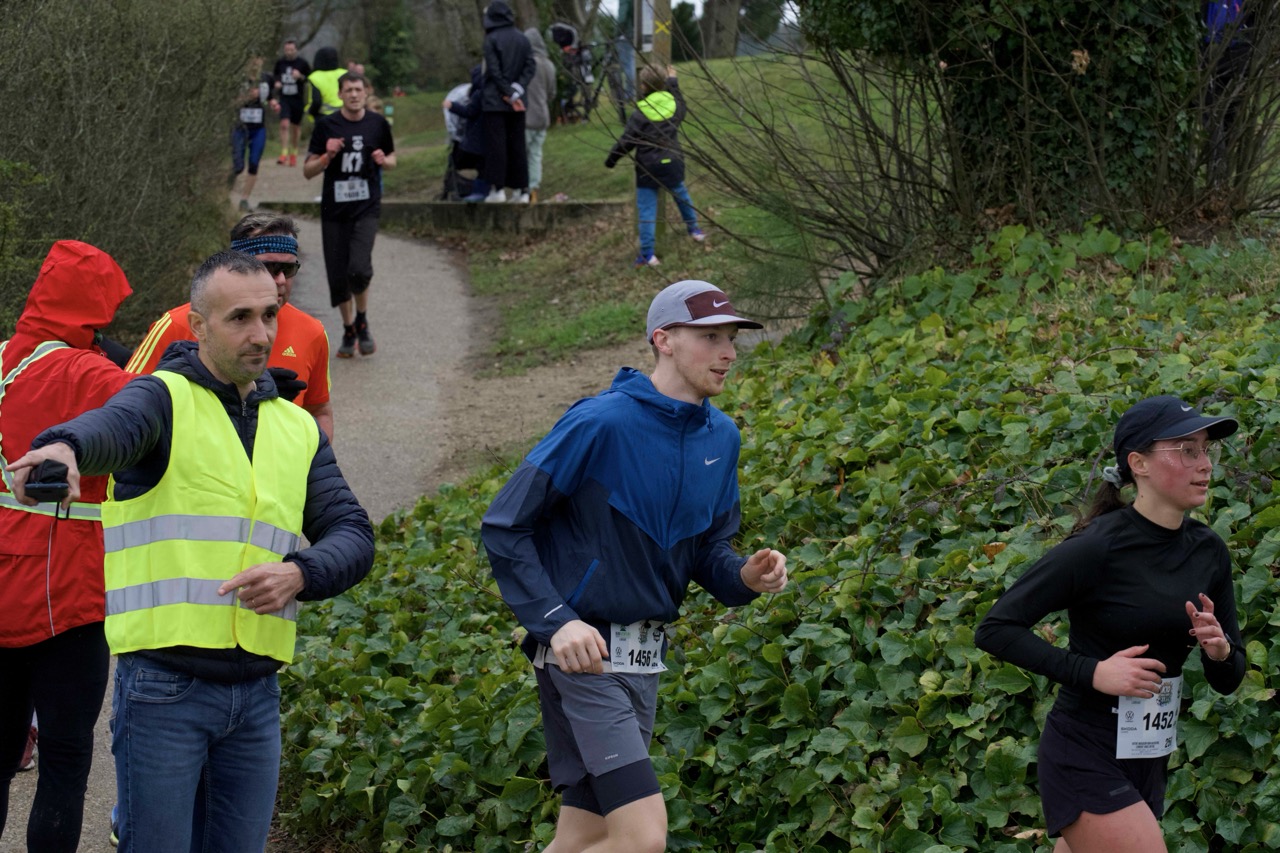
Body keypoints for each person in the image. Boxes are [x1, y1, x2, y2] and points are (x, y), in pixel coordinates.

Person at [6, 249, 375, 853]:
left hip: (258, 694)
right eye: (239, 318)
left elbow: (354, 534)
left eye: (269, 315)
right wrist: (65, 447)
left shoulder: (296, 426)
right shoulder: (161, 399)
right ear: (198, 326)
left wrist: (300, 573)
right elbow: (112, 427)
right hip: (164, 692)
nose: (261, 334)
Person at [481, 279, 788, 852]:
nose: (729, 352)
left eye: (732, 338)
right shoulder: (599, 423)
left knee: (585, 836)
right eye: (711, 337)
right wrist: (557, 621)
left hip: (645, 660)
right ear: (663, 340)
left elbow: (707, 551)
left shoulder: (722, 437)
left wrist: (746, 576)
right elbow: (505, 525)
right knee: (643, 838)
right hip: (583, 659)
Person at [975, 396, 1246, 853]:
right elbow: (995, 628)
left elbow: (1229, 679)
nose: (1204, 464)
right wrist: (1094, 672)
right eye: (1186, 450)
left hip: (1148, 752)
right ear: (1138, 463)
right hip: (1084, 749)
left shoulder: (1209, 551)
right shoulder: (1097, 547)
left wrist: (1219, 651)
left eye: (1206, 450)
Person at [0, 241, 134, 852]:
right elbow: (163, 413)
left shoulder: (4, 357)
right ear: (94, 309)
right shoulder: (92, 375)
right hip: (67, 591)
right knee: (64, 758)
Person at [125, 212, 334, 440]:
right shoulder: (177, 324)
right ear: (237, 266)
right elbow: (125, 403)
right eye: (270, 267)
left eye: (289, 269)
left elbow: (320, 410)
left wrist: (318, 460)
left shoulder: (312, 332)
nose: (281, 280)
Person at [304, 72, 396, 358]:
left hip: (366, 207)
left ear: (366, 92)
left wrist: (384, 161)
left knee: (358, 268)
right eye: (349, 90)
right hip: (334, 210)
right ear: (340, 94)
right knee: (338, 274)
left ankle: (362, 319)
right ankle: (348, 328)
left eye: (358, 89)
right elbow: (308, 171)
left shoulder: (378, 124)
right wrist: (326, 156)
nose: (354, 94)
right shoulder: (326, 126)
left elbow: (393, 159)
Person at [605, 65, 706, 268]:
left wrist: (611, 160)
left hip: (648, 168)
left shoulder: (640, 113)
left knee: (646, 211)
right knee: (682, 197)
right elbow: (681, 102)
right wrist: (673, 81)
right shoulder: (674, 106)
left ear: (643, 86)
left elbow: (627, 141)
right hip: (673, 163)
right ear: (663, 83)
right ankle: (695, 230)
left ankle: (647, 255)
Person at [479, 1, 536, 203]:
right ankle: (522, 190)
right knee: (518, 145)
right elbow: (530, 66)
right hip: (518, 102)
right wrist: (517, 90)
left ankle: (498, 189)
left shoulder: (491, 39)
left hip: (495, 101)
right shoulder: (523, 38)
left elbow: (494, 71)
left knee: (497, 146)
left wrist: (508, 92)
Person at [232, 56, 278, 212]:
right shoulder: (238, 79)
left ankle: (244, 200)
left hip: (258, 129)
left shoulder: (267, 79)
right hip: (240, 128)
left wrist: (273, 104)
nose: (255, 63)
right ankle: (225, 193)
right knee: (238, 166)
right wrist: (246, 97)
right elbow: (230, 103)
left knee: (254, 163)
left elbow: (270, 97)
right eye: (252, 59)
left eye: (258, 59)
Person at [521, 27, 557, 204]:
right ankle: (533, 190)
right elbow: (552, 93)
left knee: (522, 155)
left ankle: (521, 191)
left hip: (526, 117)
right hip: (543, 117)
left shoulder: (524, 64)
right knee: (536, 155)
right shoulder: (549, 65)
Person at [444, 65, 490, 202]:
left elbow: (469, 112)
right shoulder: (490, 94)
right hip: (488, 140)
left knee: (480, 166)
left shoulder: (477, 94)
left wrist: (452, 106)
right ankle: (484, 190)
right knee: (484, 167)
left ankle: (478, 192)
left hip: (475, 142)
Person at [272, 38, 312, 167]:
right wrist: (277, 82)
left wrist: (300, 76)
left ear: (296, 50)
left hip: (298, 99)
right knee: (284, 124)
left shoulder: (302, 63)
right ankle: (284, 153)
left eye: (291, 50)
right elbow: (275, 75)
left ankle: (293, 153)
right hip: (284, 99)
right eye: (287, 50)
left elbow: (310, 78)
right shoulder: (280, 63)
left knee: (295, 128)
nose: (289, 52)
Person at [308, 47, 345, 119]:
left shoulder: (315, 77)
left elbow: (316, 102)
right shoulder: (344, 73)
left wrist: (311, 112)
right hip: (346, 115)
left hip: (324, 117)